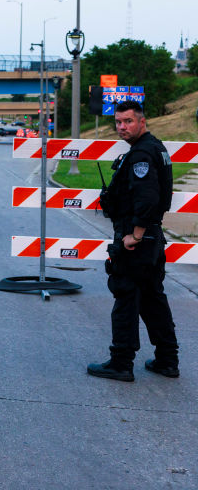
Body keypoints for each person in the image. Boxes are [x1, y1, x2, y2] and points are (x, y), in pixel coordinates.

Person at [88, 100, 179, 381]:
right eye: (118, 122)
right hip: (152, 238)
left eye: (128, 121)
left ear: (142, 121)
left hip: (138, 239)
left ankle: (121, 362)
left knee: (126, 295)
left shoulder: (141, 155)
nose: (122, 127)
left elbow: (148, 199)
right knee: (153, 298)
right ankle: (167, 360)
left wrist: (134, 236)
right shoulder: (156, 148)